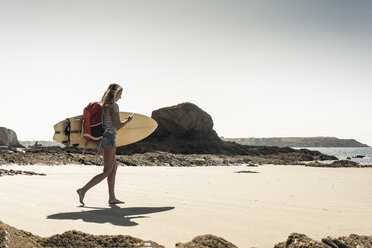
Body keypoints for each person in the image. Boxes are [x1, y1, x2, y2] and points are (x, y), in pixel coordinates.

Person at [77, 83, 133, 205]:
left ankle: (112, 198)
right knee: (107, 171)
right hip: (109, 139)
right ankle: (83, 190)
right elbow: (117, 126)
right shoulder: (114, 106)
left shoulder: (101, 106)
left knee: (114, 167)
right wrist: (127, 121)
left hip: (102, 139)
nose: (120, 97)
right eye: (120, 94)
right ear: (115, 94)